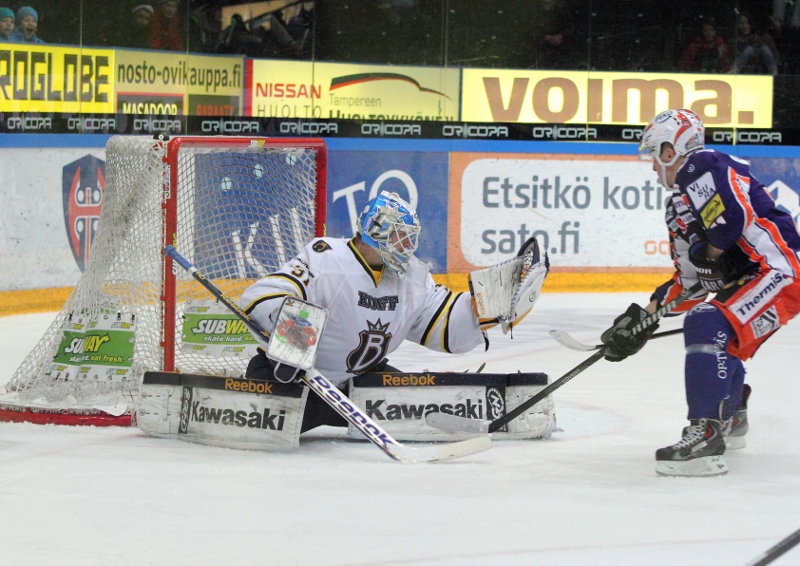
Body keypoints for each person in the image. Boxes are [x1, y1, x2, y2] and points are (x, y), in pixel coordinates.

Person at [239, 191, 546, 433]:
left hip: (359, 381)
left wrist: (487, 306)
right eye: (401, 235)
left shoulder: (411, 277)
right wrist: (293, 337)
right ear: (377, 231)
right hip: (293, 380)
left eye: (410, 237)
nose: (408, 245)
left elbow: (447, 327)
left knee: (419, 403)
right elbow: (260, 297)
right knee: (269, 422)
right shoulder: (326, 259)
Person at [600, 109, 800, 477]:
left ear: (671, 149)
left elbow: (731, 220)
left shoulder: (702, 164)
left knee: (707, 322)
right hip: (762, 276)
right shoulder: (679, 204)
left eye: (654, 153)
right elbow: (692, 281)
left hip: (781, 269)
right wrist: (645, 316)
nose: (652, 165)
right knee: (721, 326)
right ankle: (731, 410)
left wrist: (711, 255)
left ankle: (706, 433)